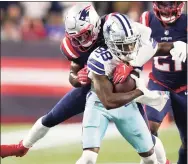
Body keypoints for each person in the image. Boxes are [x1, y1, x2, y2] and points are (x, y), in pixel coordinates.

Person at [0, 3, 185, 161]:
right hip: (94, 87)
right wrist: (76, 78)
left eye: (84, 34)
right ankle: (21, 147)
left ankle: (164, 162)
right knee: (52, 117)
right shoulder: (72, 46)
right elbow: (73, 73)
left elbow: (146, 42)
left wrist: (130, 65)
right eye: (77, 37)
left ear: (96, 25)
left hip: (122, 85)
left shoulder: (113, 24)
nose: (81, 40)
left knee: (148, 138)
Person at [76, 13, 168, 164]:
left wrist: (130, 65)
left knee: (150, 158)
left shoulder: (139, 40)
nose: (129, 48)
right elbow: (108, 101)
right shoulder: (99, 58)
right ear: (110, 42)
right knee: (88, 158)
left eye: (131, 43)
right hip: (99, 105)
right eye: (123, 45)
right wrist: (140, 92)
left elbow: (157, 46)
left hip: (127, 106)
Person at [140, 2, 187, 164]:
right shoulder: (147, 20)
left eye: (170, 4)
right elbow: (137, 49)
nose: (167, 8)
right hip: (159, 82)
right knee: (149, 129)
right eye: (163, 4)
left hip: (184, 86)